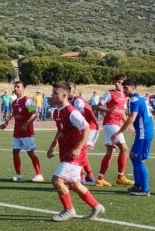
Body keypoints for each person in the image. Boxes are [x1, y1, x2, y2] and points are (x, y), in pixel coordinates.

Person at [46, 81, 106, 222]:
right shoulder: (57, 112)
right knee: (74, 184)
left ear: (65, 95)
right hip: (66, 151)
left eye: (55, 93)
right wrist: (53, 145)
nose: (52, 95)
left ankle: (69, 210)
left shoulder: (72, 112)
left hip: (75, 154)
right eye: (52, 92)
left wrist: (78, 148)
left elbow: (86, 129)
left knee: (57, 180)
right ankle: (97, 207)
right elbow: (61, 131)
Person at [0, 81, 44, 182]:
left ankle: (39, 174)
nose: (16, 88)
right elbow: (14, 115)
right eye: (15, 87)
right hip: (17, 132)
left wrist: (26, 124)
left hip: (27, 132)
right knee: (15, 152)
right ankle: (18, 175)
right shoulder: (14, 102)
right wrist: (6, 123)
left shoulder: (27, 101)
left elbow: (34, 113)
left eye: (18, 87)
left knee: (30, 153)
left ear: (23, 88)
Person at [95, 76, 134, 187]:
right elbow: (98, 106)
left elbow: (122, 113)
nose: (117, 84)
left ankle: (100, 179)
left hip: (115, 124)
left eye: (120, 82)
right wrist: (108, 110)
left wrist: (129, 125)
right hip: (110, 124)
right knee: (124, 148)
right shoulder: (109, 93)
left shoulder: (125, 96)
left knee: (110, 152)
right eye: (116, 82)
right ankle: (120, 177)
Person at [119, 78, 155, 196]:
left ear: (133, 88)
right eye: (123, 87)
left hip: (144, 133)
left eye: (126, 87)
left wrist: (120, 131)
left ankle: (145, 190)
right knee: (133, 156)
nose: (124, 90)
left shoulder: (134, 99)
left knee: (139, 159)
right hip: (143, 132)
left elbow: (131, 118)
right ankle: (138, 185)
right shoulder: (140, 98)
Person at [71, 88, 101, 183]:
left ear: (73, 91)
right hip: (87, 127)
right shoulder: (73, 101)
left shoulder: (77, 101)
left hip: (89, 128)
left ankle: (82, 176)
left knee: (80, 151)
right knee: (82, 151)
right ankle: (89, 175)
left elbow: (81, 118)